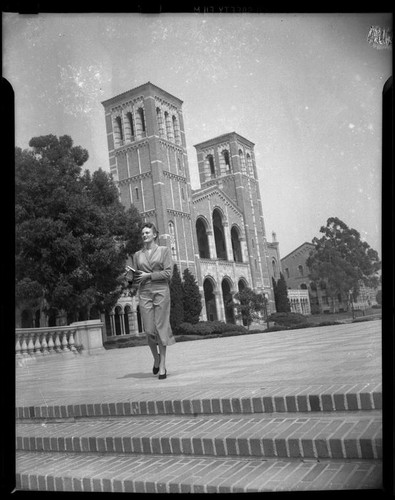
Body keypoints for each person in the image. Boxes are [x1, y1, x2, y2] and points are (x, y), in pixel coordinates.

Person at [128, 222, 175, 379]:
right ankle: (156, 358)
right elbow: (135, 277)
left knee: (161, 328)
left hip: (161, 290)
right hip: (145, 292)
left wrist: (149, 275)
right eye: (143, 233)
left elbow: (168, 273)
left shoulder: (163, 251)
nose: (144, 235)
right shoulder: (137, 255)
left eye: (147, 232)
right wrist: (128, 278)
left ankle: (162, 366)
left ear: (155, 235)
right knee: (149, 330)